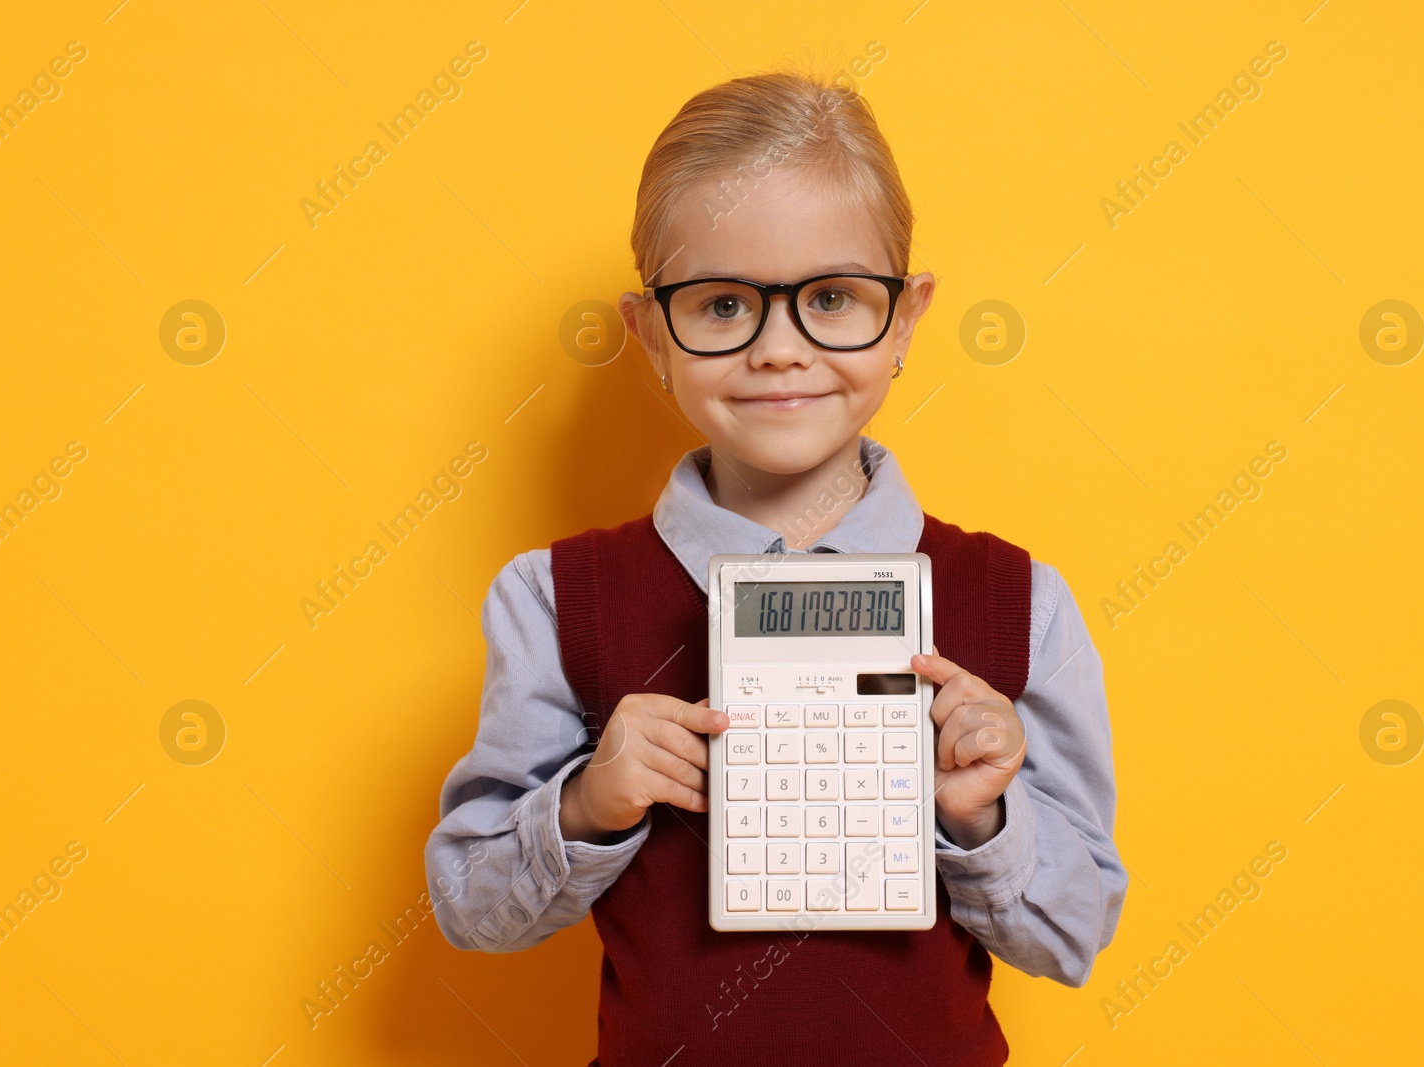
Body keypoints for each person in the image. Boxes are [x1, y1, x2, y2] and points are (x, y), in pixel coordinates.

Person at [425, 68, 1127, 1066]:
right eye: (720, 306)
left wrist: (981, 813)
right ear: (649, 334)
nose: (778, 350)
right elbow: (473, 911)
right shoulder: (550, 599)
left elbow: (1072, 934)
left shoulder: (1017, 603)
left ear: (907, 318)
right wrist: (585, 803)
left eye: (832, 298)